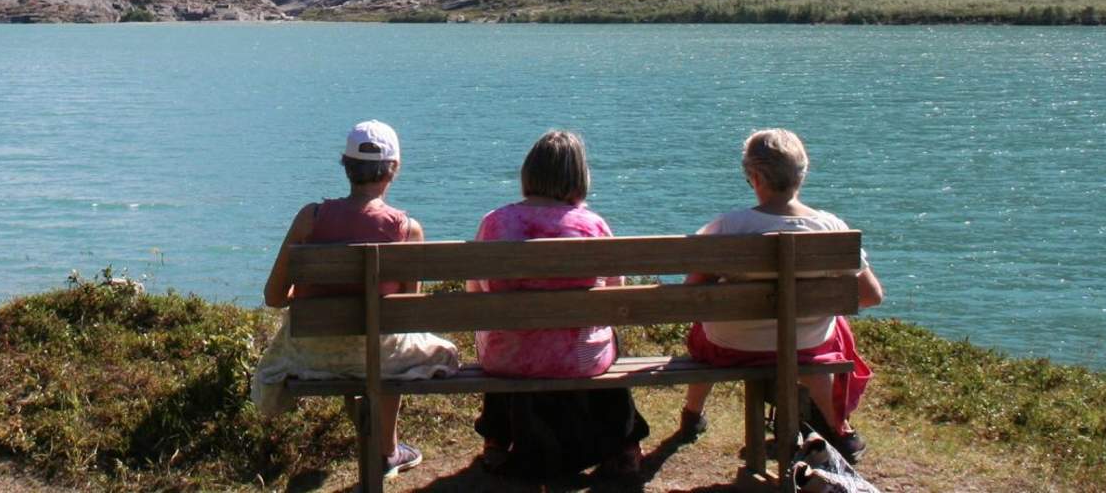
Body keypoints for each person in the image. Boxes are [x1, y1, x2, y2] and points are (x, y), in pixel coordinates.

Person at [252, 120, 459, 479]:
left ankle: (379, 445)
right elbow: (408, 315)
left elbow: (273, 297)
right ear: (393, 168)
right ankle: (388, 450)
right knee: (396, 343)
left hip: (314, 354)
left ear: (346, 166)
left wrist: (303, 297)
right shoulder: (407, 230)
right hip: (379, 356)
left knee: (369, 344)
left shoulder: (309, 219)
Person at [677, 128, 885, 462]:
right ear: (801, 174)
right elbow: (872, 295)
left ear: (755, 176)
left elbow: (691, 295)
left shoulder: (729, 226)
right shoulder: (831, 228)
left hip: (730, 348)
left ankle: (692, 415)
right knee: (831, 334)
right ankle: (840, 429)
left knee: (704, 329)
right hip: (806, 349)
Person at [470, 130, 649, 481]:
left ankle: (496, 439)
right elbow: (616, 295)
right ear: (578, 178)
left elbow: (476, 292)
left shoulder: (496, 222)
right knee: (606, 333)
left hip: (508, 359)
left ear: (529, 173)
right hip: (580, 360)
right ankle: (625, 443)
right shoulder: (593, 226)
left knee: (495, 326)